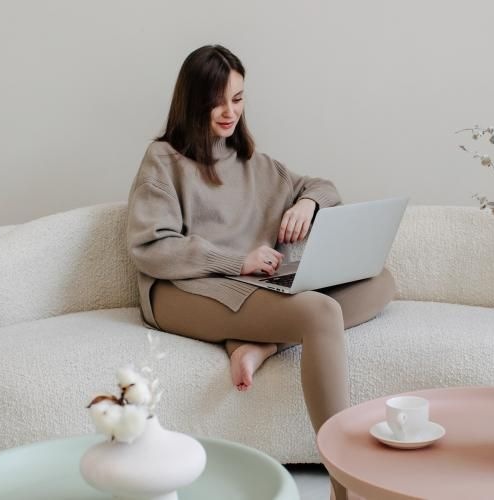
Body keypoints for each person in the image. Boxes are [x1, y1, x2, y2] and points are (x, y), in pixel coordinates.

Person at [126, 44, 395, 500]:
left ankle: (261, 343)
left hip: (251, 287)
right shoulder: (164, 161)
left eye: (238, 98)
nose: (229, 112)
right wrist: (237, 262)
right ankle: (344, 486)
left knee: (381, 279)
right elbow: (152, 248)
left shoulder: (252, 161)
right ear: (192, 100)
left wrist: (308, 204)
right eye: (218, 100)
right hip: (185, 290)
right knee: (319, 314)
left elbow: (321, 186)